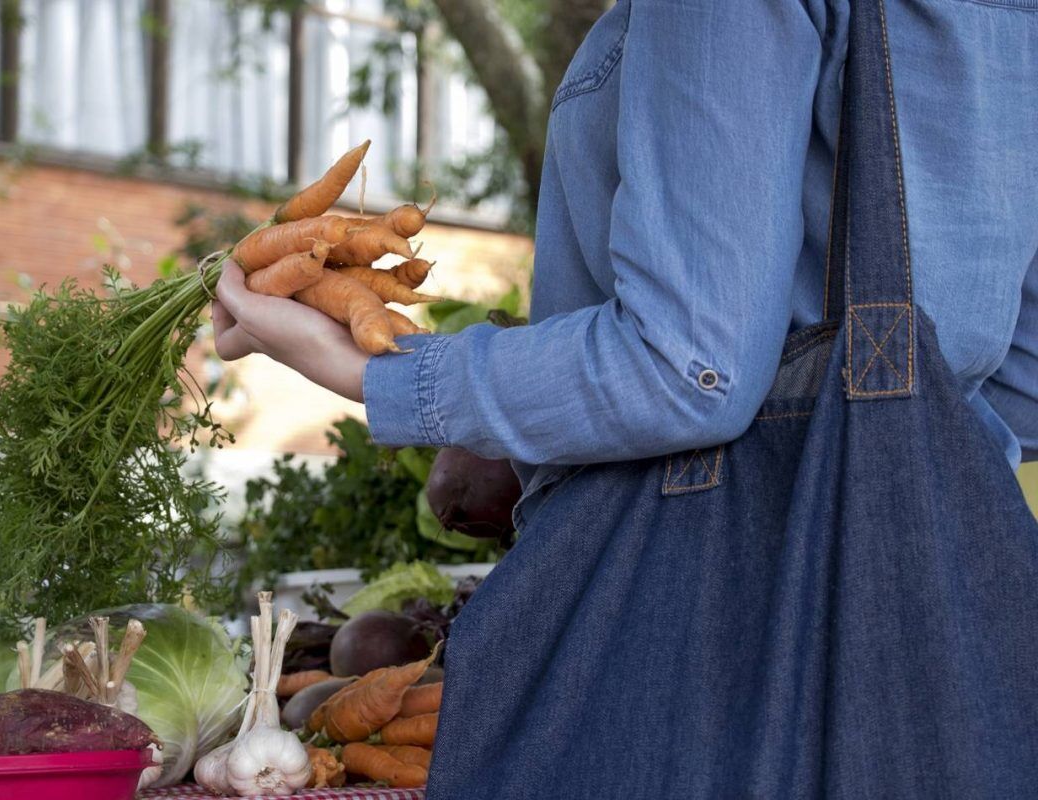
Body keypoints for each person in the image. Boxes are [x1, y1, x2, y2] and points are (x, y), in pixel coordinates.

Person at [214, 0, 1038, 795]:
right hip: (947, 629)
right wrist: (890, 429)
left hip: (689, 637)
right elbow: (1024, 382)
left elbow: (690, 371)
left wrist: (371, 370)